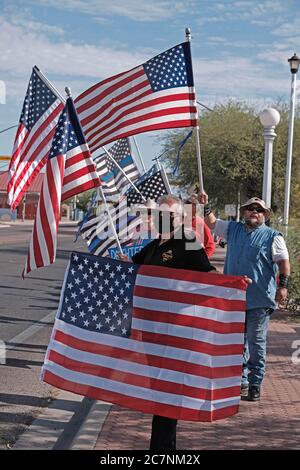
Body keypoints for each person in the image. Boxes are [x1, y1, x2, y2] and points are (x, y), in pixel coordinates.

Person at [119, 194, 216, 450]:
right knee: (159, 390)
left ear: (180, 218)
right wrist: (123, 264)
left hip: (175, 332)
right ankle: (163, 447)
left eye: (170, 215)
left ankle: (161, 449)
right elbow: (135, 268)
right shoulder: (151, 247)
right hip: (151, 332)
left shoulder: (188, 242)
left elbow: (209, 275)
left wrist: (235, 286)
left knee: (166, 392)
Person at [198, 193, 290, 402]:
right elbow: (212, 223)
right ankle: (241, 382)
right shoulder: (234, 229)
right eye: (250, 208)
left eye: (258, 210)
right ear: (244, 212)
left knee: (256, 343)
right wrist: (205, 205)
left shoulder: (273, 236)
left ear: (264, 214)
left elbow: (284, 263)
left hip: (259, 299)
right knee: (238, 343)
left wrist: (283, 287)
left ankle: (255, 383)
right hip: (234, 298)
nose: (254, 212)